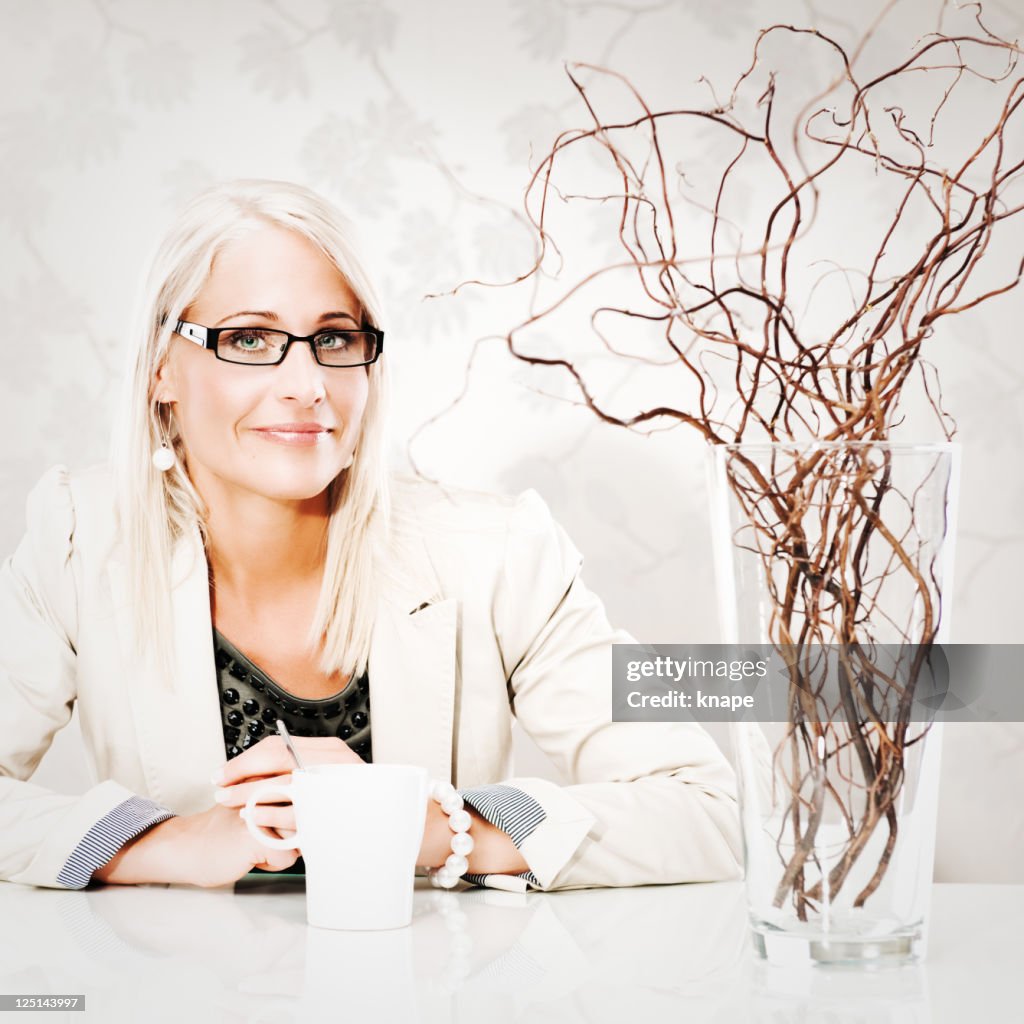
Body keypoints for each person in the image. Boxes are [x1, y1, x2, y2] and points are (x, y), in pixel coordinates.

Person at [0, 179, 742, 892]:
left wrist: (418, 825)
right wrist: (171, 844)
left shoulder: (499, 552)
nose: (305, 383)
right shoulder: (77, 538)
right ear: (163, 367)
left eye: (334, 338)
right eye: (251, 339)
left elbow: (706, 810)